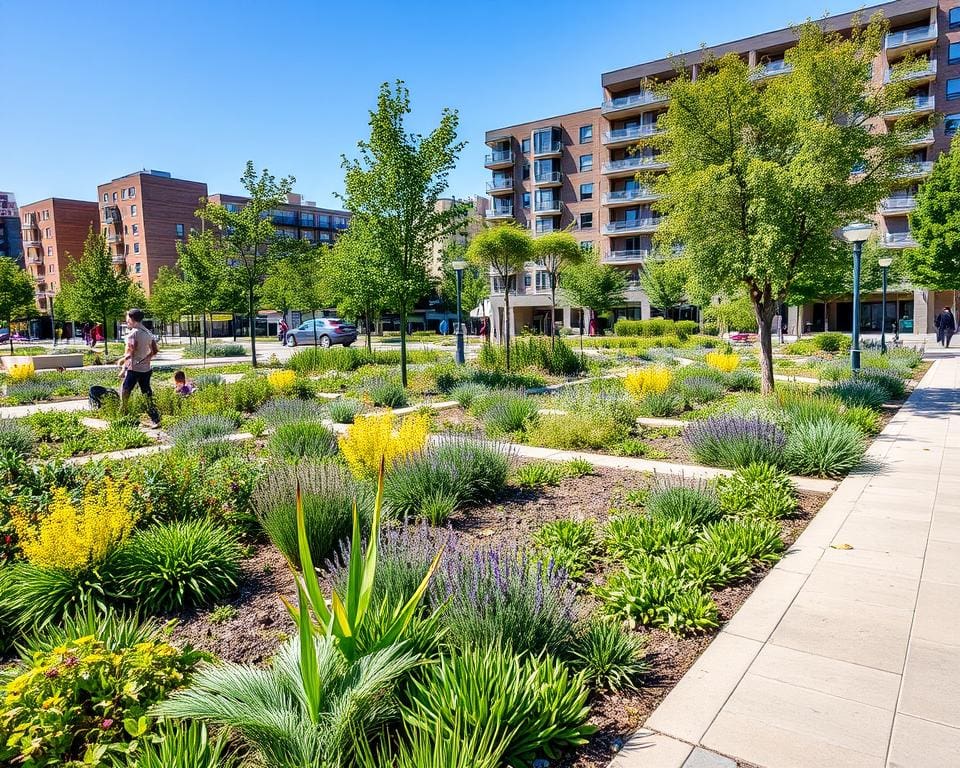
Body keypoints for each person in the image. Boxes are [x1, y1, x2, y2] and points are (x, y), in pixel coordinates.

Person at [118, 308, 161, 427]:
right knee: (146, 393)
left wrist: (123, 369)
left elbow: (130, 353)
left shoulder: (133, 334)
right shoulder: (148, 333)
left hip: (133, 369)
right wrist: (145, 359)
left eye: (127, 319)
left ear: (132, 319)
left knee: (125, 391)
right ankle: (155, 419)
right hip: (146, 369)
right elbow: (155, 350)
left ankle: (123, 416)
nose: (126, 321)